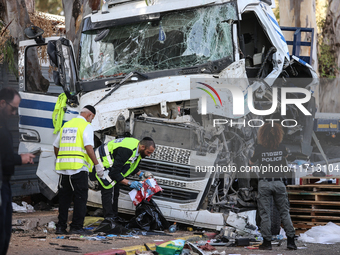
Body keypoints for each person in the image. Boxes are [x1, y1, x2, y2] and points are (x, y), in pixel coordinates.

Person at [53, 105, 104, 235]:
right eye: (92, 118)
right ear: (89, 115)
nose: (91, 120)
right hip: (79, 168)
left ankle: (61, 227)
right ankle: (76, 227)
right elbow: (88, 147)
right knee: (80, 198)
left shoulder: (67, 125)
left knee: (64, 200)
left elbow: (56, 145)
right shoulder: (86, 126)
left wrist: (60, 159)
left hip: (64, 170)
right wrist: (97, 165)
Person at [249, 123, 297, 250]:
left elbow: (251, 162)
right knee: (284, 212)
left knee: (265, 214)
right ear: (278, 135)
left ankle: (267, 243)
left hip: (264, 183)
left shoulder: (259, 148)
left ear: (262, 135)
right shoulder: (282, 147)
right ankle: (291, 241)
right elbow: (286, 156)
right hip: (279, 183)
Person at [0, 87, 35, 255]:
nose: (14, 113)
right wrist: (19, 159)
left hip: (5, 183)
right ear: (2, 103)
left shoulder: (4, 124)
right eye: (13, 108)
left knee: (5, 231)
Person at [94, 137, 155, 221]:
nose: (149, 155)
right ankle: (109, 218)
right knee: (108, 191)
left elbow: (130, 164)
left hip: (109, 162)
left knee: (115, 192)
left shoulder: (137, 148)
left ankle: (114, 216)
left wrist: (141, 174)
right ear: (143, 147)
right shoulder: (127, 150)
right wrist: (129, 183)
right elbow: (114, 173)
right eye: (148, 152)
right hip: (101, 161)